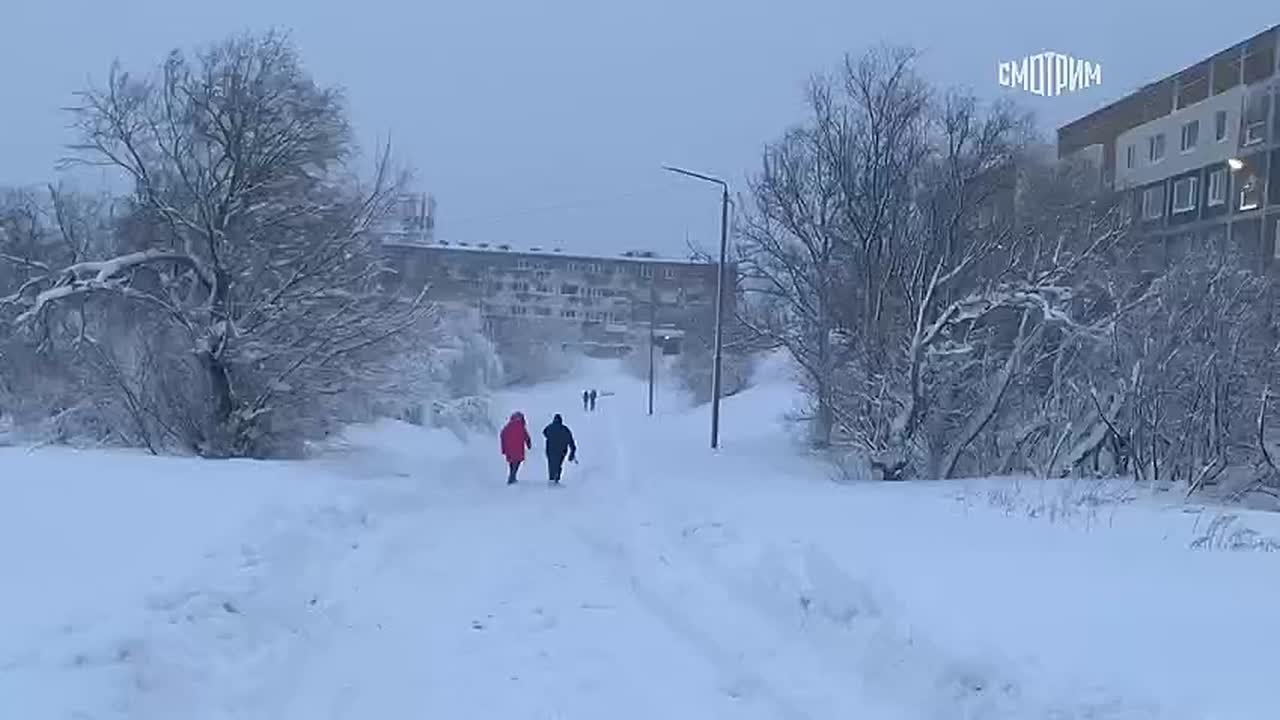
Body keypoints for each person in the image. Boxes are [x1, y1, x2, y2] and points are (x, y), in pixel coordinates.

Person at [542, 413, 577, 485]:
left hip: (550, 450)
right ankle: (557, 476)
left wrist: (549, 437)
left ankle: (551, 477)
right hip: (562, 450)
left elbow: (544, 432)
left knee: (551, 464)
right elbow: (570, 440)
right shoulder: (565, 429)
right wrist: (572, 451)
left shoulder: (549, 427)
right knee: (559, 464)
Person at [499, 411, 532, 485]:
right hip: (518, 449)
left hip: (509, 449)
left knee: (511, 463)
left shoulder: (507, 427)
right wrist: (529, 445)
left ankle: (512, 476)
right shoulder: (521, 427)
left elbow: (502, 436)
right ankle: (512, 477)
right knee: (517, 463)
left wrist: (503, 449)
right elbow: (526, 437)